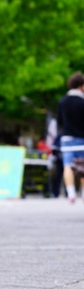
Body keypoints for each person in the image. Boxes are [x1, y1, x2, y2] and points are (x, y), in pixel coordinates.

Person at [56, 71, 84, 204]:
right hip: (81, 138)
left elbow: (59, 121)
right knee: (83, 165)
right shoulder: (82, 101)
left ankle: (71, 193)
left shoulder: (62, 101)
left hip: (66, 138)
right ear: (81, 86)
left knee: (68, 165)